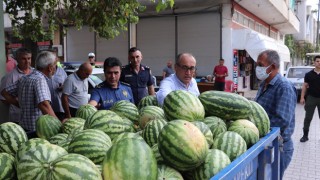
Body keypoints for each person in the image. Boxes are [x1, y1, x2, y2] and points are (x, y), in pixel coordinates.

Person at [254, 50, 296, 179]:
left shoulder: (284, 87)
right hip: (267, 145)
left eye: (260, 65)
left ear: (271, 67)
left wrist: (255, 129)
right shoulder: (264, 84)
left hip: (279, 148)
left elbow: (281, 120)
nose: (257, 68)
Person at [1, 51, 57, 136]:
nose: (55, 68)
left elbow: (4, 92)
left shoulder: (25, 78)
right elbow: (44, 104)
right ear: (50, 67)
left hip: (24, 127)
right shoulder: (39, 80)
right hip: (37, 130)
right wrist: (57, 124)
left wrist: (20, 104)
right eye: (54, 65)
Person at [0, 47, 33, 124]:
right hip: (18, 118)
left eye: (29, 58)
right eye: (23, 59)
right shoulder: (10, 76)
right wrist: (20, 104)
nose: (27, 61)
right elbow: (3, 98)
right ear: (17, 60)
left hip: (33, 116)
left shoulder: (35, 73)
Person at [299, 56, 320, 142]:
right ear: (314, 62)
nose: (319, 63)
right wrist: (302, 97)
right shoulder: (308, 74)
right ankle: (305, 135)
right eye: (317, 61)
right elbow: (304, 86)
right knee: (308, 118)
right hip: (311, 98)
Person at [47, 50, 68, 121]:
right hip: (47, 107)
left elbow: (67, 85)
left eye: (54, 57)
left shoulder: (62, 72)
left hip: (59, 107)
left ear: (57, 59)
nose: (52, 60)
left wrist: (63, 87)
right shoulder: (44, 71)